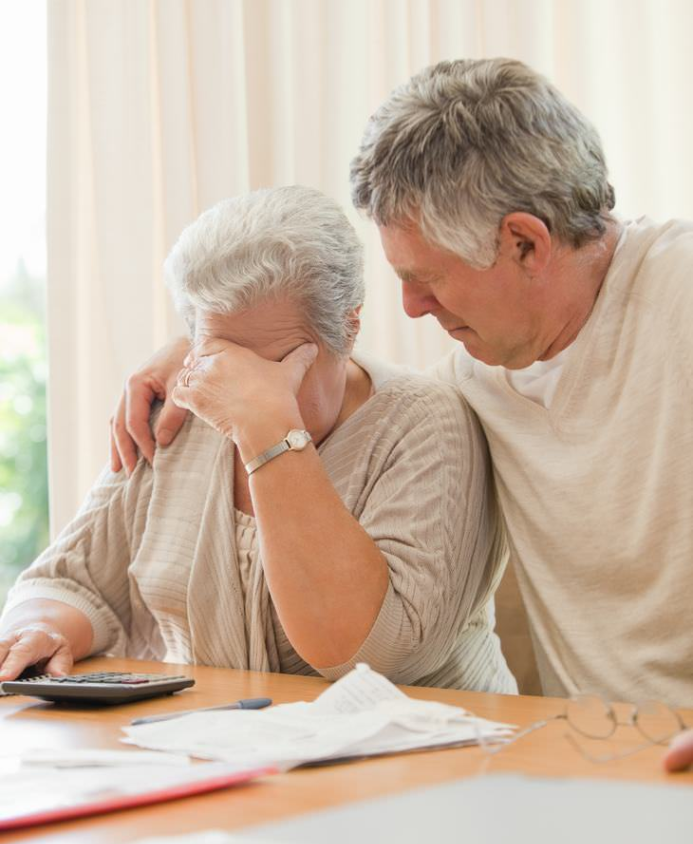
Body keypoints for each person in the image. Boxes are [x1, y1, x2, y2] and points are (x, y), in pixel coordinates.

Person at [110, 60, 692, 769]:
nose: (413, 308)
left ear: (524, 243)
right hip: (601, 765)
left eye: (427, 279)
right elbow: (351, 379)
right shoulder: (481, 375)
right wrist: (211, 348)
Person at [0, 185, 515, 694]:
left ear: (348, 327)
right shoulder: (180, 409)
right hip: (217, 754)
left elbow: (375, 654)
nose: (243, 390)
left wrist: (268, 433)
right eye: (223, 361)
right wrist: (40, 627)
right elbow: (70, 581)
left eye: (275, 366)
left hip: (428, 760)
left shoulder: (426, 423)